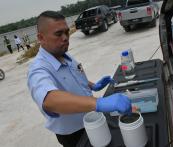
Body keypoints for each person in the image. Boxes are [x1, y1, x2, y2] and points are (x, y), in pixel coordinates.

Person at [27, 10, 132, 147]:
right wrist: (99, 103)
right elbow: (49, 99)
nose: (65, 38)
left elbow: (74, 78)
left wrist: (92, 85)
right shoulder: (38, 69)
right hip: (74, 133)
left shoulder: (64, 54)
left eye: (66, 32)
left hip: (92, 119)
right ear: (41, 38)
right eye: (58, 34)